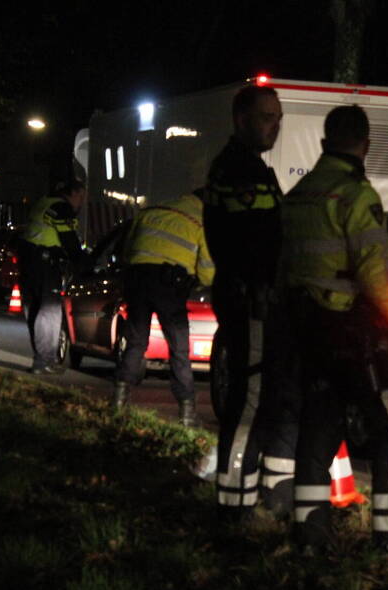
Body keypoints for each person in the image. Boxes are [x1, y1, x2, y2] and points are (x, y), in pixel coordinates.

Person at [278, 105, 388, 560]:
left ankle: (309, 534)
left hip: (307, 331)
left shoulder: (299, 194)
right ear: (366, 144)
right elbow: (376, 273)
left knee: (319, 428)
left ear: (324, 143)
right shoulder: (355, 195)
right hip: (348, 332)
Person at [204, 84, 297, 520]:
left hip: (254, 299)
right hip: (252, 302)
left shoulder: (249, 168)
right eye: (266, 117)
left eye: (278, 118)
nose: (275, 126)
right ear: (241, 119)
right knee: (250, 399)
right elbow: (252, 243)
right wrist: (261, 289)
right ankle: (234, 505)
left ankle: (259, 497)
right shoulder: (241, 172)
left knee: (265, 396)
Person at [112, 191, 214, 426]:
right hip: (169, 284)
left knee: (136, 341)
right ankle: (187, 412)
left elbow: (127, 251)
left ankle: (119, 400)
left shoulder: (150, 212)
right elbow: (207, 269)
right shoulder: (199, 219)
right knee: (178, 348)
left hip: (137, 278)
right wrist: (202, 282)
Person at [20, 179, 86, 374]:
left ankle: (40, 359)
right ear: (73, 193)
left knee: (33, 310)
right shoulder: (61, 208)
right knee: (50, 311)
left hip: (28, 263)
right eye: (81, 196)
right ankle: (45, 361)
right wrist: (85, 263)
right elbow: (70, 242)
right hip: (46, 264)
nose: (82, 202)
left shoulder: (44, 202)